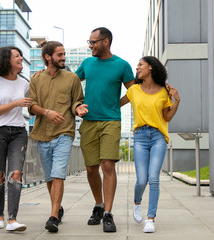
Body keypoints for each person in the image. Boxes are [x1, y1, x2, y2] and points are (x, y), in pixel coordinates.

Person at [75, 27, 135, 232]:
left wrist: (117, 104)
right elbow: (70, 84)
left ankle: (108, 214)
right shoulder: (87, 63)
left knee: (107, 165)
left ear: (106, 41)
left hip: (111, 121)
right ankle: (98, 206)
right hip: (89, 122)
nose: (90, 45)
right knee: (91, 168)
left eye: (93, 42)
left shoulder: (121, 65)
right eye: (89, 42)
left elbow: (134, 91)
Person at [28, 40, 88, 233]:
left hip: (64, 132)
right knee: (48, 177)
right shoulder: (36, 79)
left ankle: (53, 216)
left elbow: (77, 100)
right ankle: (59, 208)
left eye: (64, 54)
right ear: (48, 57)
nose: (64, 58)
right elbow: (31, 106)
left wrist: (78, 108)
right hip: (42, 134)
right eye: (60, 55)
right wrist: (47, 112)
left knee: (58, 173)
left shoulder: (72, 79)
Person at [121, 56, 180, 233]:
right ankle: (137, 202)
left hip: (158, 137)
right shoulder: (134, 90)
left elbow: (167, 117)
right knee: (141, 180)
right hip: (139, 136)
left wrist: (177, 101)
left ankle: (150, 218)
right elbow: (116, 104)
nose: (137, 67)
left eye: (140, 64)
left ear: (151, 67)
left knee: (154, 178)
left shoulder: (164, 91)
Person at [0, 46, 32, 231]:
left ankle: (12, 220)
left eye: (20, 56)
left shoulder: (24, 83)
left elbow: (33, 101)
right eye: (17, 56)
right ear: (6, 60)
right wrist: (16, 103)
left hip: (18, 132)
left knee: (16, 174)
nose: (20, 58)